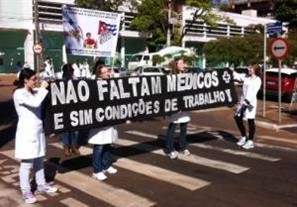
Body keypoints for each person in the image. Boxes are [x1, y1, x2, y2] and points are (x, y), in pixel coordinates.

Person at [13, 69, 57, 204]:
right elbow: (35, 103)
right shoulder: (19, 93)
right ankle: (26, 191)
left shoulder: (33, 91)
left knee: (39, 159)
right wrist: (43, 88)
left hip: (37, 131)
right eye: (33, 79)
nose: (36, 81)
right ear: (25, 80)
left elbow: (43, 96)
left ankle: (41, 184)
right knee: (26, 163)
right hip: (26, 132)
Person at [88, 65, 118, 180]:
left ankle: (106, 165)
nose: (107, 74)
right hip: (99, 120)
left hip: (109, 118)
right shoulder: (95, 85)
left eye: (108, 71)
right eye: (104, 72)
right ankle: (97, 170)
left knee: (107, 144)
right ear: (99, 74)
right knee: (99, 146)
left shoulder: (111, 83)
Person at [166, 57, 191, 159]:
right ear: (175, 65)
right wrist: (176, 106)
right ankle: (170, 149)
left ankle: (183, 147)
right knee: (172, 128)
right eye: (180, 63)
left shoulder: (186, 76)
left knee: (184, 128)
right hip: (175, 107)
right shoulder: (171, 77)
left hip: (185, 107)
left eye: (183, 63)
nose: (183, 65)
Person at [233, 64, 262, 149]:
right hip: (243, 101)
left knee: (250, 120)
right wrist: (230, 71)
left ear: (255, 70)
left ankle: (250, 141)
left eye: (251, 68)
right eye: (249, 67)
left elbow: (254, 93)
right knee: (237, 118)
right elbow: (237, 76)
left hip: (250, 103)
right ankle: (243, 137)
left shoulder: (257, 80)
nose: (249, 69)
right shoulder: (246, 77)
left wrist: (246, 102)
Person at [61, 64, 80, 156]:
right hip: (64, 109)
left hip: (74, 108)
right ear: (65, 72)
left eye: (71, 71)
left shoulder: (76, 80)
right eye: (68, 71)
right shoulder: (60, 82)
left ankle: (73, 146)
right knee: (65, 130)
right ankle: (66, 147)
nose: (70, 73)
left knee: (75, 129)